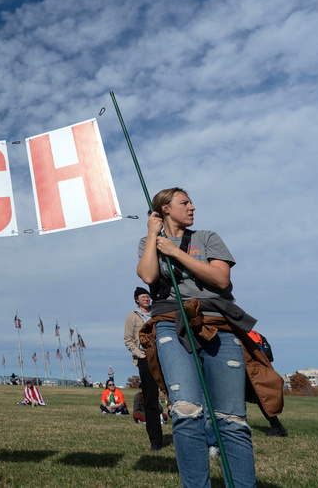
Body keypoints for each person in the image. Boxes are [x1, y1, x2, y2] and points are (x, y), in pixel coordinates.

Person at [137, 188, 281, 488]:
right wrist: (152, 236)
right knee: (185, 410)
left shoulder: (207, 238)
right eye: (184, 203)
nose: (192, 207)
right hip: (169, 322)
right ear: (164, 209)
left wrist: (175, 253)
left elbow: (221, 279)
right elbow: (149, 277)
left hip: (217, 322)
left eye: (190, 202)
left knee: (231, 418)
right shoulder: (149, 241)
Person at [125, 287, 163, 450]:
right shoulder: (132, 317)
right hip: (145, 358)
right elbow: (128, 339)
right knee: (150, 398)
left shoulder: (158, 312)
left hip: (163, 355)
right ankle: (155, 439)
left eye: (148, 296)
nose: (146, 299)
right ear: (136, 300)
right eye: (143, 296)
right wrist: (139, 355)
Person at [246, 331, 288, 437]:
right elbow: (268, 356)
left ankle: (277, 427)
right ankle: (277, 426)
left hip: (251, 370)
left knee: (257, 397)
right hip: (259, 370)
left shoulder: (244, 334)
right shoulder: (256, 334)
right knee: (260, 397)